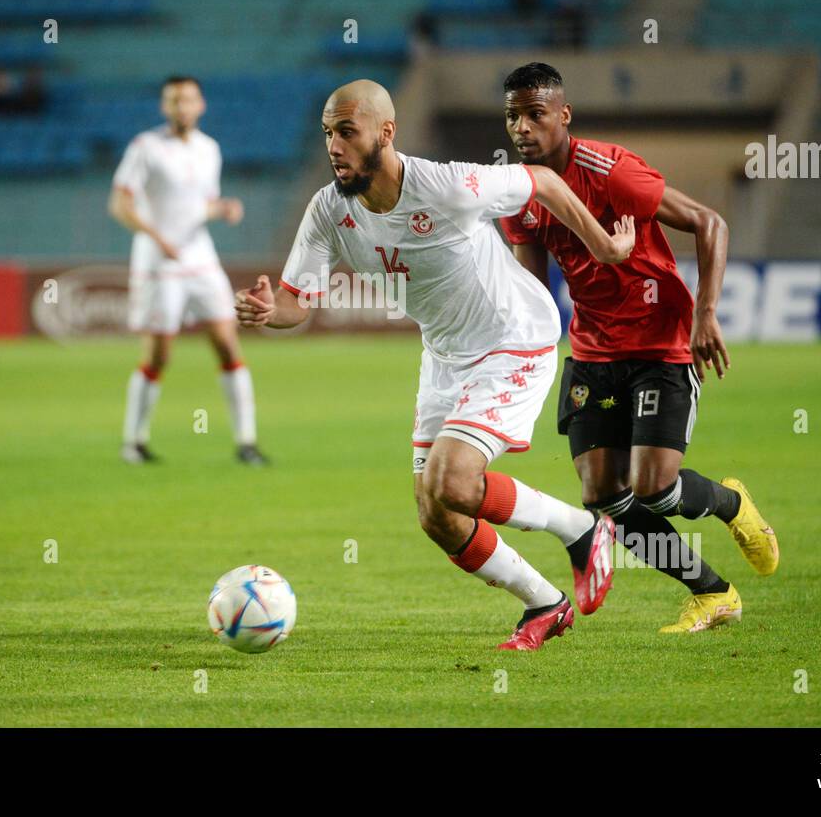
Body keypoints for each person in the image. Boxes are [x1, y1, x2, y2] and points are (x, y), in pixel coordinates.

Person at [236, 79, 632, 650]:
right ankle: (545, 603)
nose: (334, 146)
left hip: (512, 336)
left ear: (385, 133)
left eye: (347, 131)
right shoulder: (328, 210)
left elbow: (543, 181)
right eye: (328, 133)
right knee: (436, 513)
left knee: (453, 480)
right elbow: (297, 303)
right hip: (444, 354)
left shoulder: (449, 186)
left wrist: (604, 247)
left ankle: (581, 528)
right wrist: (268, 309)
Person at [497, 62, 777, 632]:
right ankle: (712, 592)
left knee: (655, 488)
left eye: (534, 115)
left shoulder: (611, 171)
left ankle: (730, 504)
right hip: (593, 354)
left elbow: (709, 222)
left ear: (563, 115)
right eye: (512, 117)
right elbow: (534, 291)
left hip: (661, 344)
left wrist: (706, 313)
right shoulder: (520, 195)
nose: (522, 128)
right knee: (604, 495)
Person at [109, 76, 268, 466]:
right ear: (165, 107)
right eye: (174, 100)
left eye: (188, 99)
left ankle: (246, 442)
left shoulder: (209, 149)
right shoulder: (146, 147)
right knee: (159, 354)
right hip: (159, 263)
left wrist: (223, 208)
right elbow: (120, 203)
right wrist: (153, 235)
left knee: (228, 343)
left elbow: (203, 203)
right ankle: (134, 441)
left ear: (201, 105)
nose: (182, 106)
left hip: (201, 259)